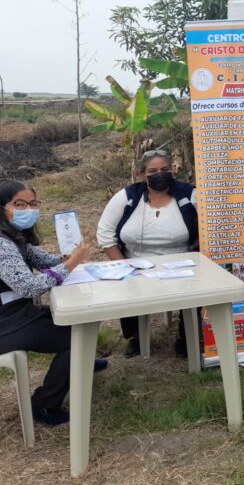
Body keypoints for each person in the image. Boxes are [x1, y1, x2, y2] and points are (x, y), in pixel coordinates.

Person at [0, 181, 96, 427]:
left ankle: (80, 363)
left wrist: (64, 259)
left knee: (77, 319)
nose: (28, 210)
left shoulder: (12, 235)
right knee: (75, 338)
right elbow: (29, 286)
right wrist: (71, 264)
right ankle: (44, 405)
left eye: (32, 204)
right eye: (20, 204)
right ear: (2, 207)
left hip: (8, 316)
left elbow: (41, 260)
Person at [97, 150, 199, 358]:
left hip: (182, 264)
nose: (159, 174)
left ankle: (187, 336)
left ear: (173, 170)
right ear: (143, 174)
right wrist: (123, 266)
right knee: (125, 285)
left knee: (199, 287)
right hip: (135, 263)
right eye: (152, 171)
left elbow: (212, 222)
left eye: (165, 169)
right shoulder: (128, 197)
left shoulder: (189, 194)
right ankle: (136, 337)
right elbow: (105, 233)